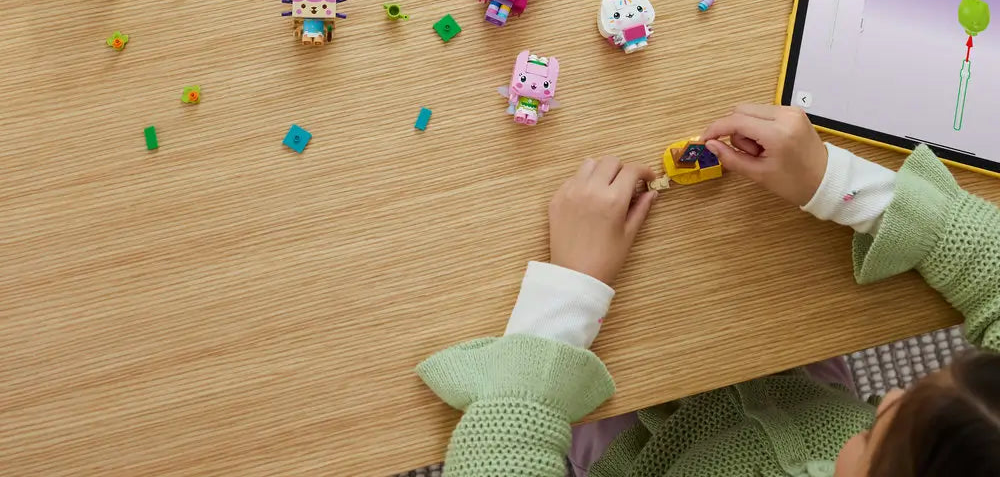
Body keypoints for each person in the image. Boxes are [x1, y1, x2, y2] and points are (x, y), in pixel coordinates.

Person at [418, 104, 1000, 476]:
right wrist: (839, 184)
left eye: (875, 434)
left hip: (635, 449)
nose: (892, 396)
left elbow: (501, 455)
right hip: (794, 385)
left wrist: (569, 291)